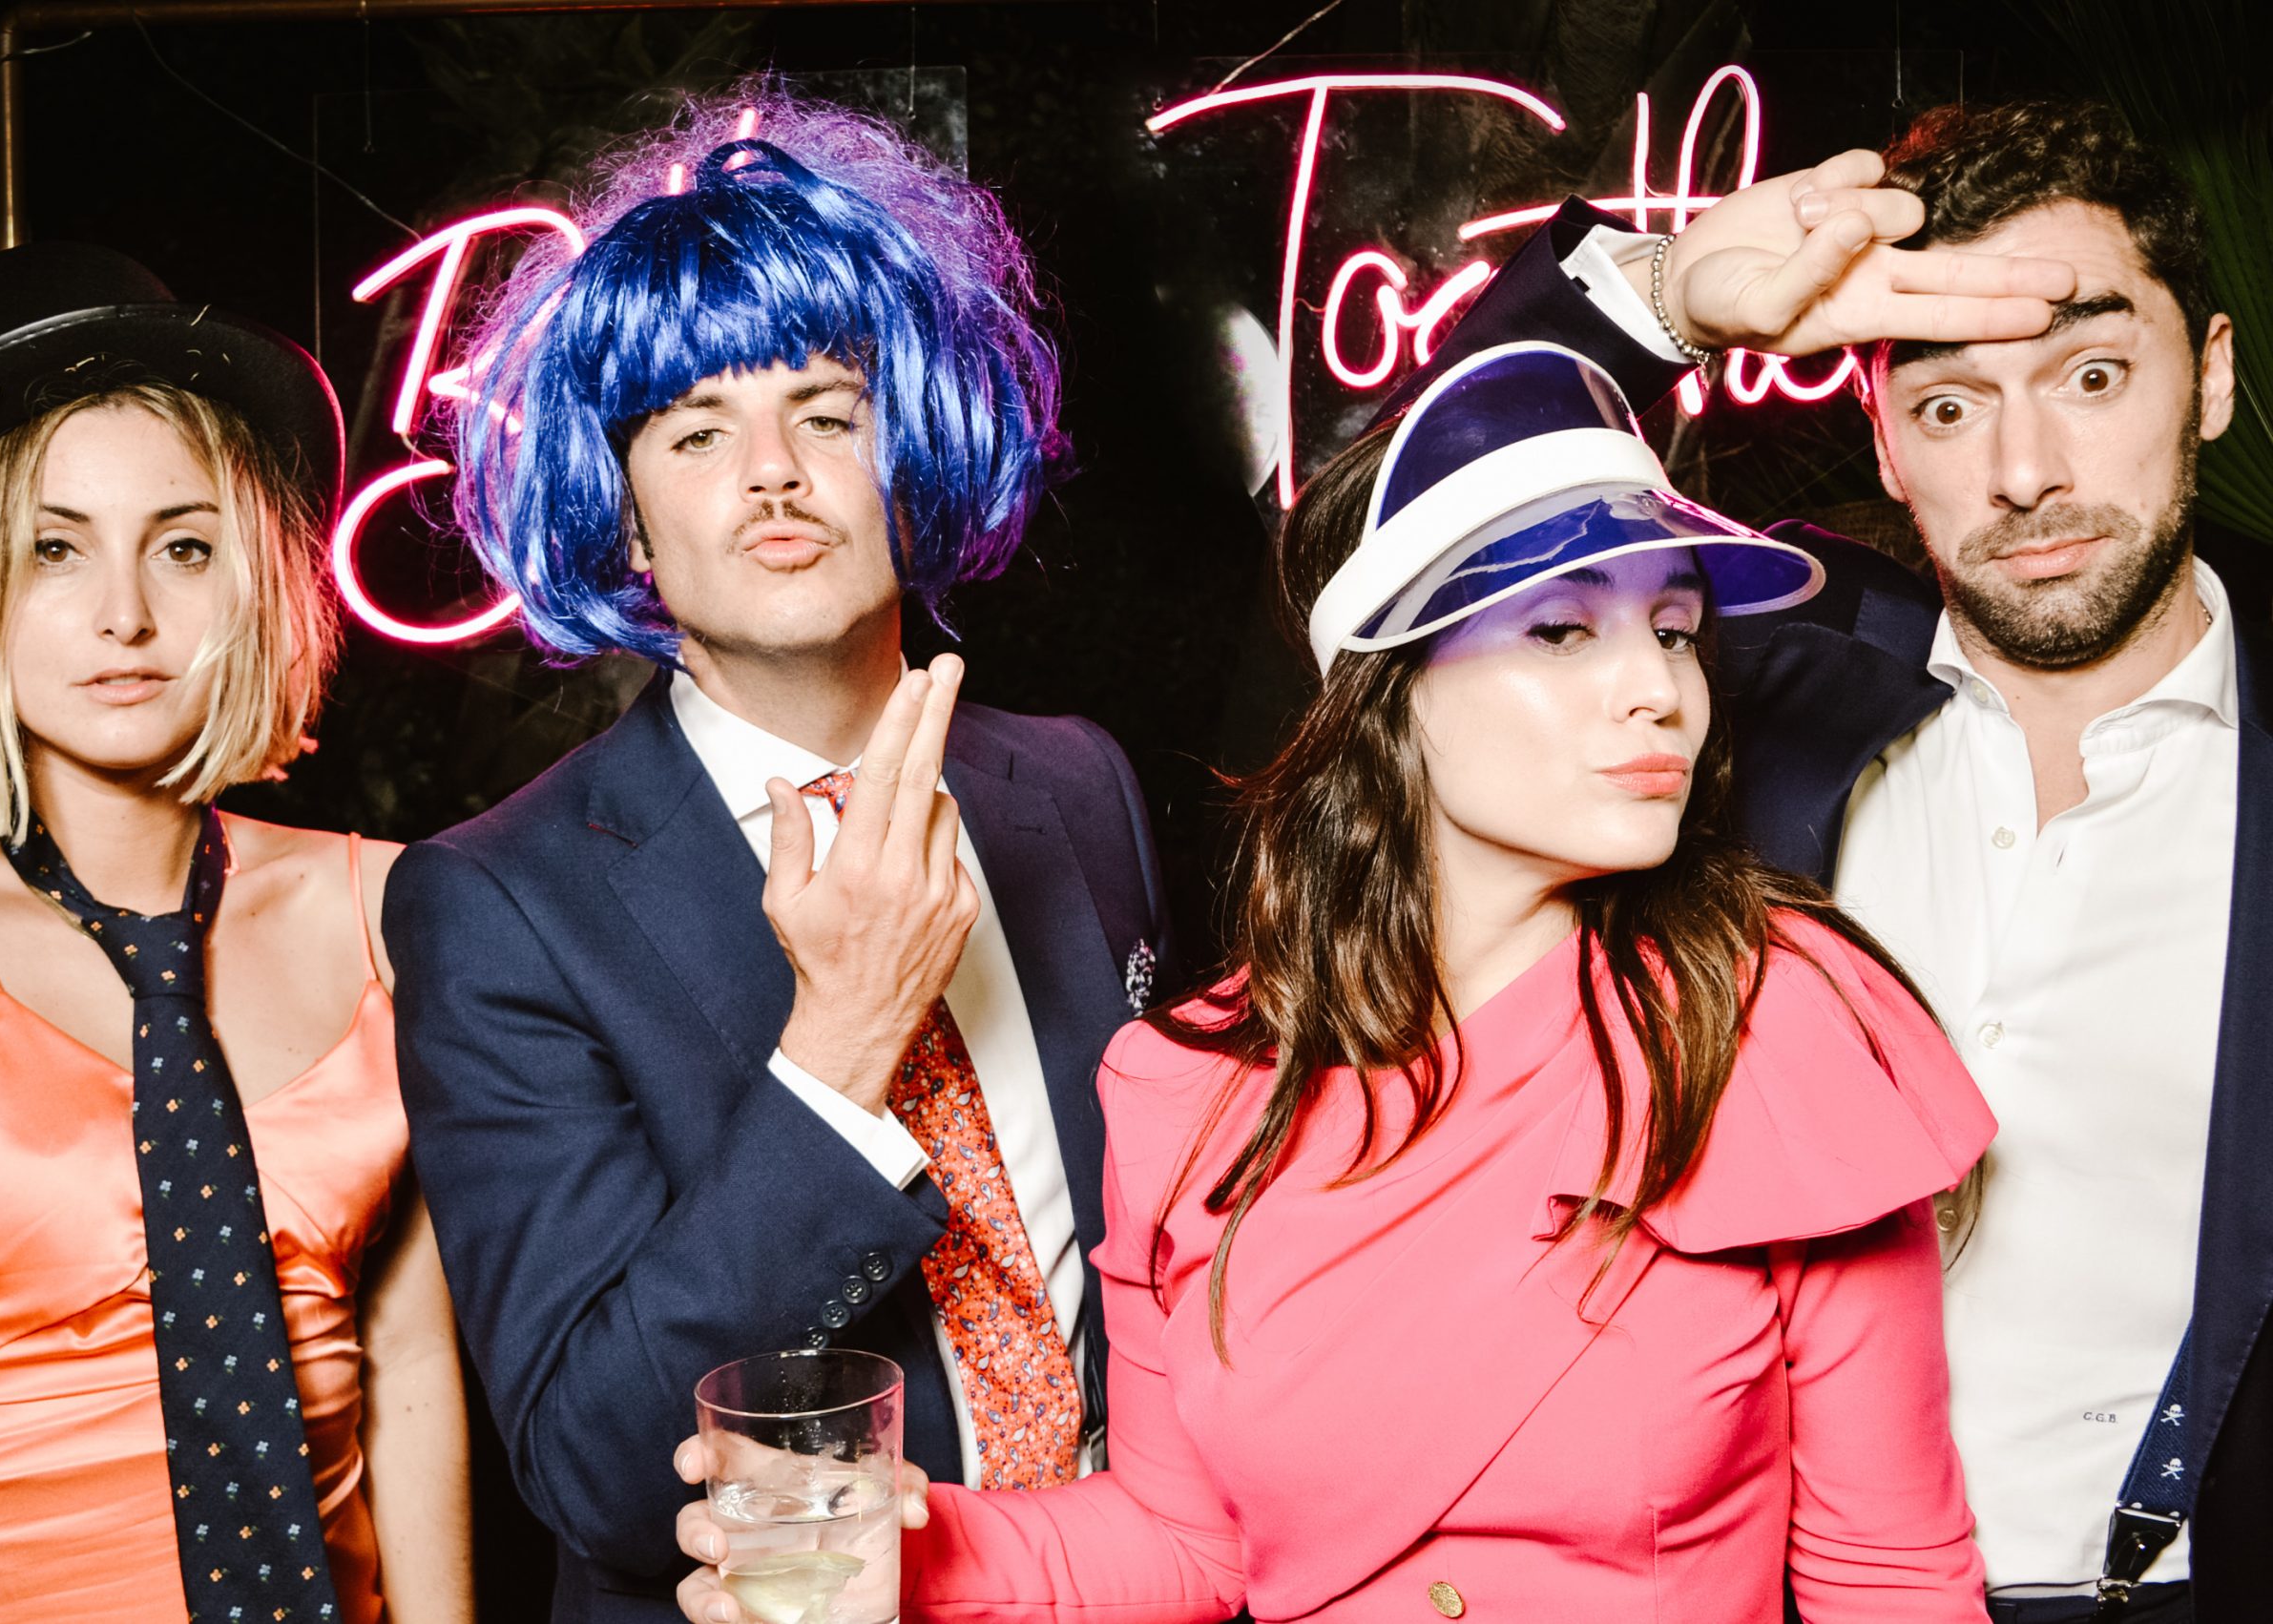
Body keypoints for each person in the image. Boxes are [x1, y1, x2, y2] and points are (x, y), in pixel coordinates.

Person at [664, 324, 2051, 1622]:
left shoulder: (1768, 1025)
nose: (1661, 691)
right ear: (1389, 690)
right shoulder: (1188, 1088)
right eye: (1563, 629)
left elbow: (1890, 1573)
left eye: (1675, 627)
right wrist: (919, 1549)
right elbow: (1187, 1537)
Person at [1395, 101, 2268, 1624]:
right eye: (1949, 405)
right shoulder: (1735, 697)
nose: (2026, 471)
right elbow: (1394, 559)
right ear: (1880, 434)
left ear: (2212, 376)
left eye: (2092, 376)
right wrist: (1662, 299)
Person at [382, 88, 1169, 1623]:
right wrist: (843, 1044)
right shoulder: (500, 904)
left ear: (914, 455)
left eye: (827, 410)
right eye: (696, 431)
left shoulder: (1080, 787)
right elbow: (603, 1471)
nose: (773, 472)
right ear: (625, 521)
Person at [0, 244, 471, 1624]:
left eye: (184, 547)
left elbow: (409, 1366)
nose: (124, 615)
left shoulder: (389, 906)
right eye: (52, 548)